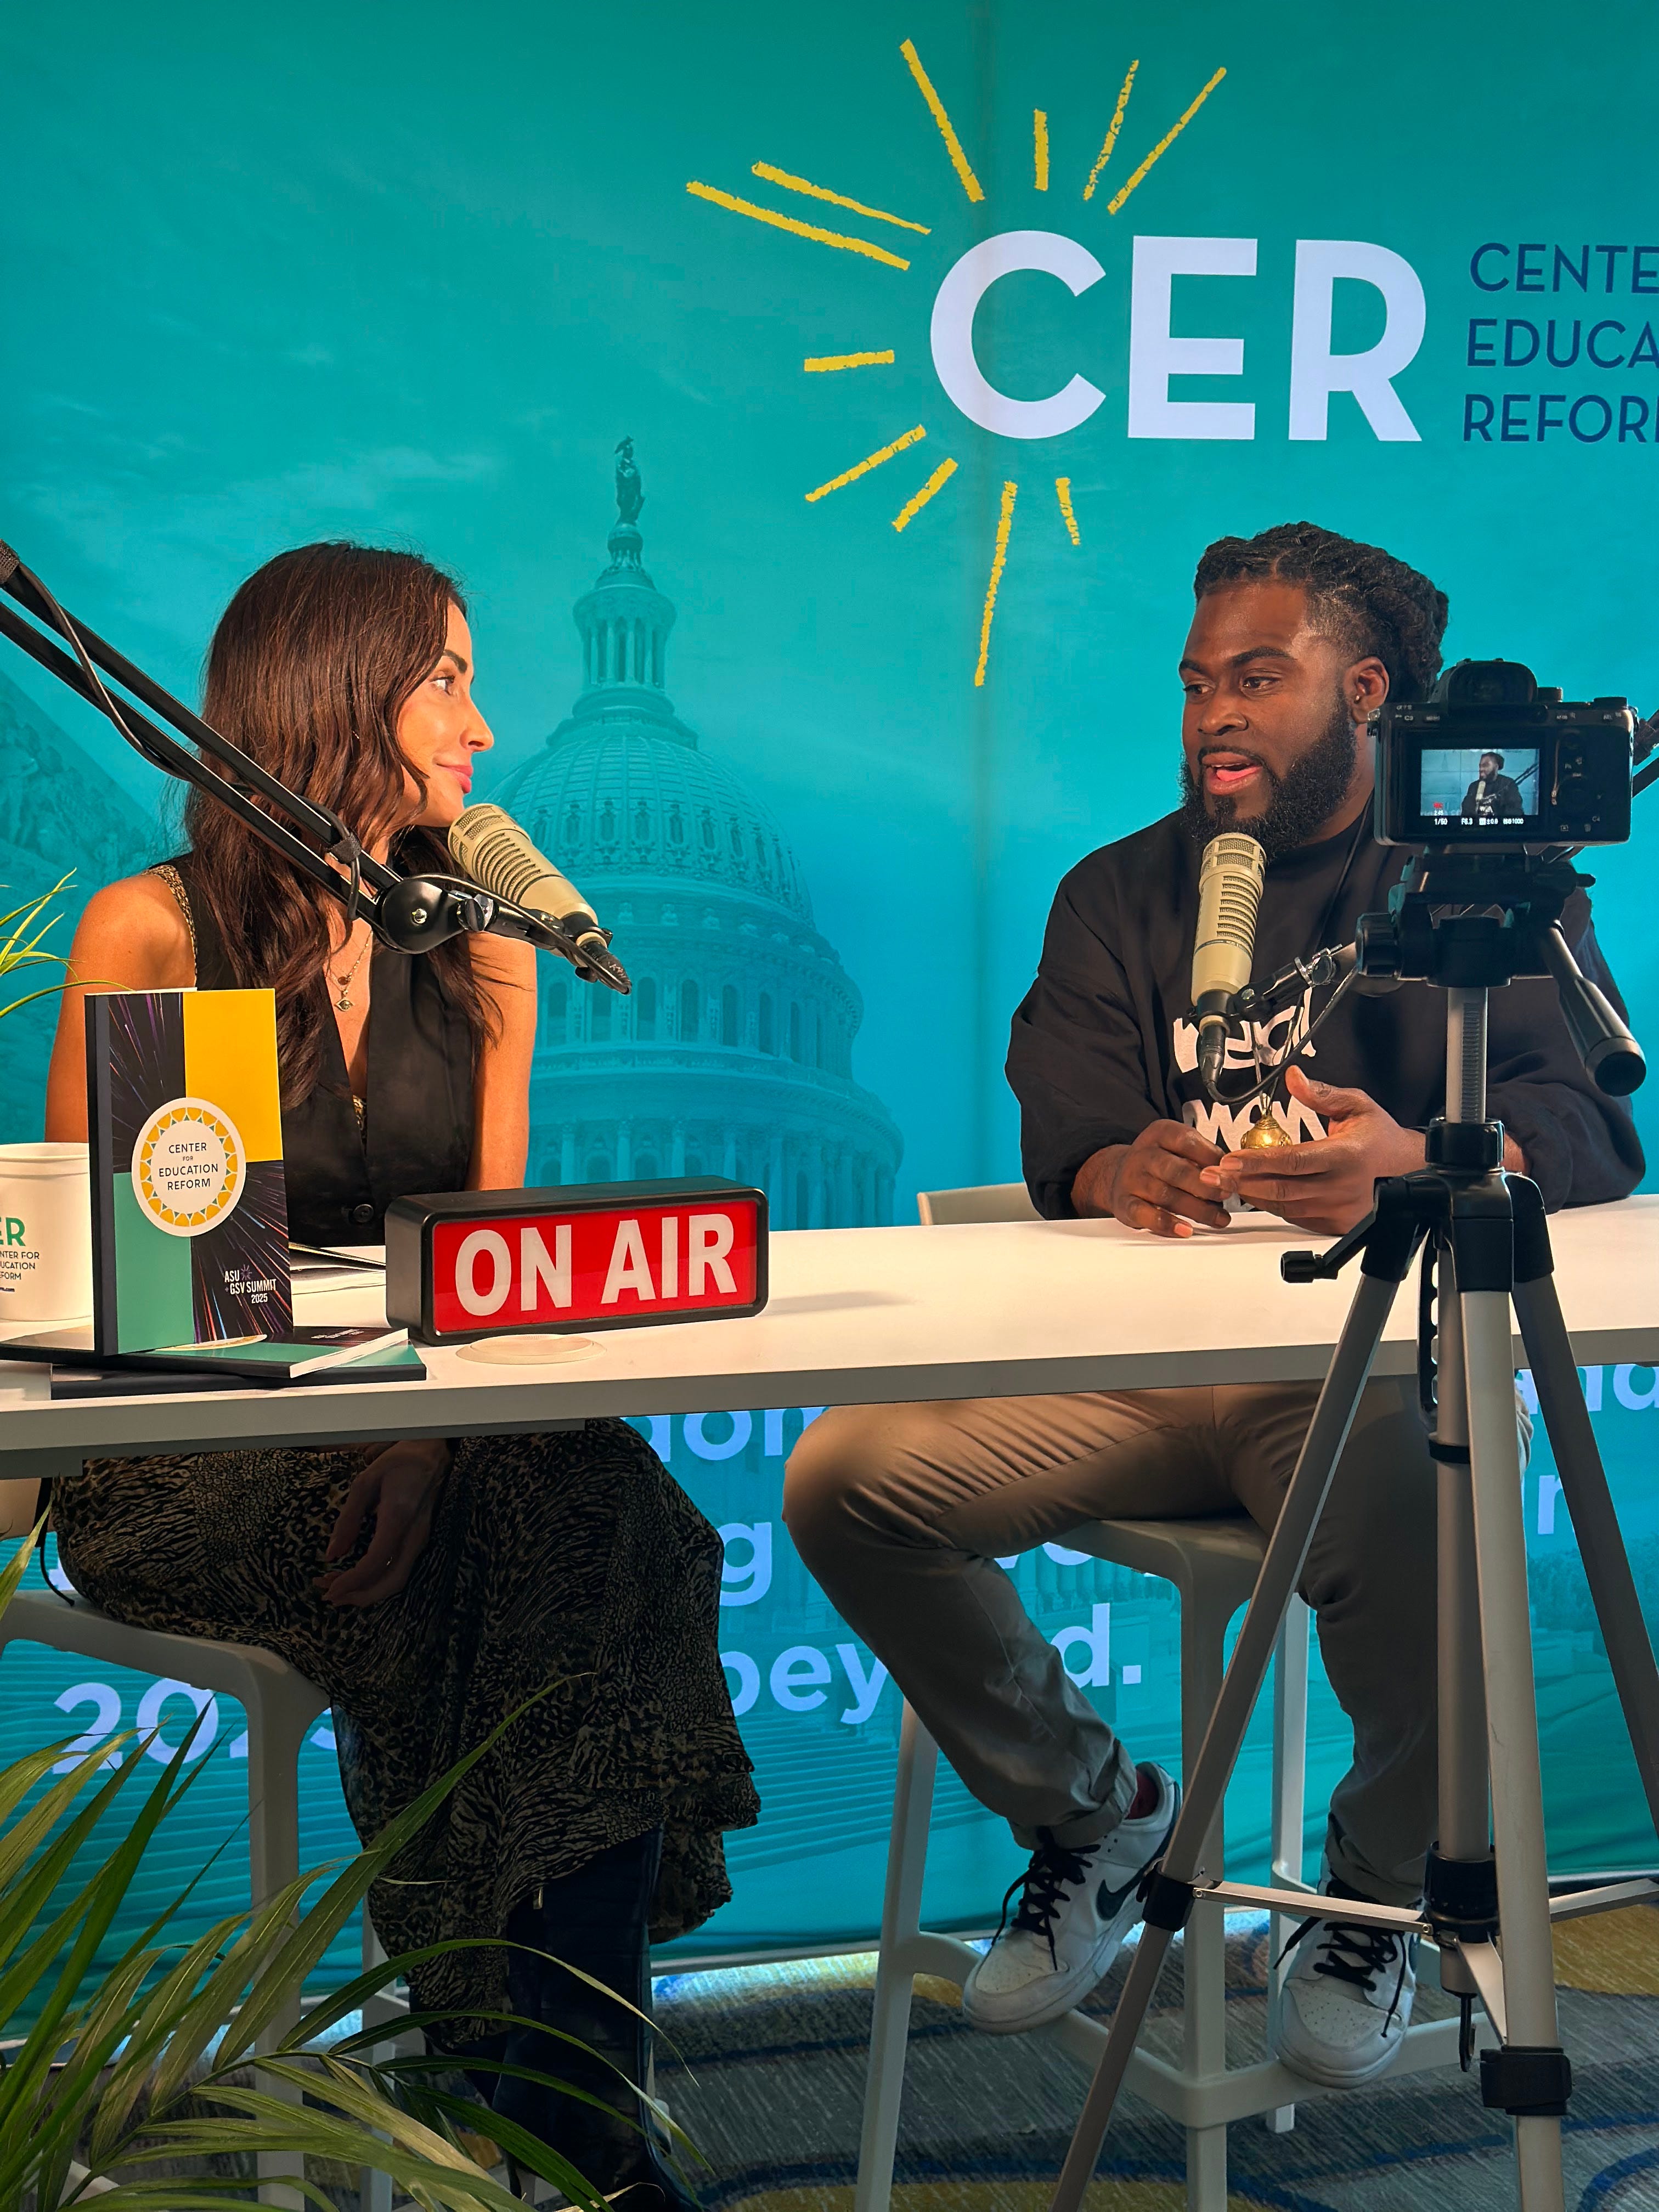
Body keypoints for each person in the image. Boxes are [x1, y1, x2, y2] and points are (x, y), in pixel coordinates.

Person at [785, 521, 1643, 2089]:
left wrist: (1420, 1163)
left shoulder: (1472, 885)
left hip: (1354, 1379)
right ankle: (1096, 1818)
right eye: (1195, 686)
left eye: (1256, 679)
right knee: (844, 1479)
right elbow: (1065, 1128)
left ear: (1367, 692)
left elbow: (1589, 1126)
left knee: (1439, 1493)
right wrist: (1126, 1166)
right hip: (1118, 1370)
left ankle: (1371, 1897)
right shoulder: (1121, 891)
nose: (1212, 719)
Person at [44, 541, 758, 2208]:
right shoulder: (159, 931)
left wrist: (424, 1442)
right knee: (572, 1543)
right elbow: (136, 1293)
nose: (484, 728)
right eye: (448, 679)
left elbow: (479, 1284)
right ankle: (565, 2133)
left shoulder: (485, 951)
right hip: (192, 1445)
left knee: (577, 1500)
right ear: (335, 692)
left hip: (430, 1444)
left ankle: (534, 2120)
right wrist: (383, 1427)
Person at [1461, 748, 1526, 820]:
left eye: (1486, 765)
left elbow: (1517, 811)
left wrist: (1499, 810)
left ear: (1496, 767)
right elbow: (1466, 813)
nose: (1481, 769)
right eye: (1480, 766)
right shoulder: (1474, 786)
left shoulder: (1508, 784)